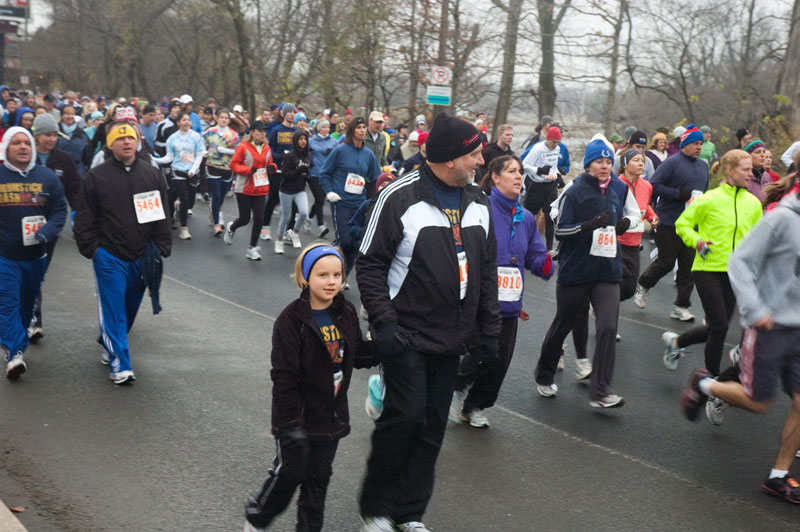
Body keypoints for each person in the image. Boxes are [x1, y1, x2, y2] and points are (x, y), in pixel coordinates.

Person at [356, 113, 500, 532]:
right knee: (405, 419)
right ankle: (377, 508)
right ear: (451, 158)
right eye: (474, 154)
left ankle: (410, 512)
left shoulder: (479, 202)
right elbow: (369, 265)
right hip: (406, 335)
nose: (479, 161)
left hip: (452, 338)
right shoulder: (400, 197)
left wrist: (488, 332)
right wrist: (384, 325)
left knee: (433, 426)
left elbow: (487, 272)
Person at [243, 243, 376, 532]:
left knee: (317, 484)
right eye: (322, 275)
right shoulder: (291, 321)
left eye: (337, 275)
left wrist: (387, 346)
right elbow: (284, 378)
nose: (331, 282)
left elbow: (358, 356)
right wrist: (290, 424)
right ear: (305, 277)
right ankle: (258, 516)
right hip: (296, 420)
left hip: (330, 419)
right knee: (290, 474)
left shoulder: (347, 312)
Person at [677, 192, 800, 504]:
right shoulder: (781, 219)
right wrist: (755, 310)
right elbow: (740, 262)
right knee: (759, 402)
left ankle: (778, 476)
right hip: (770, 325)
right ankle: (705, 383)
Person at [449, 155, 552, 428]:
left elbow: (535, 257)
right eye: (511, 172)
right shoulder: (479, 208)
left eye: (520, 172)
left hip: (509, 301)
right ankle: (457, 384)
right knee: (482, 350)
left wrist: (549, 262)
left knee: (500, 360)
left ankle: (474, 406)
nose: (519, 176)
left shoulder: (527, 217)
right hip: (479, 296)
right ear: (495, 177)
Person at [73, 122, 172, 384]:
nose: (126, 142)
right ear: (110, 144)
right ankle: (120, 365)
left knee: (128, 309)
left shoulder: (151, 174)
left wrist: (162, 246)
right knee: (114, 308)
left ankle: (109, 341)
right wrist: (93, 249)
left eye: (130, 138)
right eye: (120, 139)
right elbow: (83, 217)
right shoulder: (96, 177)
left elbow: (161, 213)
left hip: (142, 255)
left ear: (137, 142)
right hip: (109, 255)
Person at [533, 138, 628, 407]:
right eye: (599, 161)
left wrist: (624, 223)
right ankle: (544, 374)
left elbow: (630, 216)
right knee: (563, 324)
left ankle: (601, 391)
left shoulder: (618, 189)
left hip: (608, 269)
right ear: (588, 165)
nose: (605, 166)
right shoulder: (574, 191)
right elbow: (561, 230)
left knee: (608, 327)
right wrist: (588, 226)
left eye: (609, 161)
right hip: (576, 270)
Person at [661, 149, 762, 375]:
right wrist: (697, 242)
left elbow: (758, 239)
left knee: (718, 328)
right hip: (708, 269)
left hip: (737, 274)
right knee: (720, 326)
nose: (750, 174)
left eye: (751, 170)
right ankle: (710, 384)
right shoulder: (709, 199)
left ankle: (676, 343)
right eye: (745, 170)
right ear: (730, 170)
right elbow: (683, 224)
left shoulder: (754, 204)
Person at [0, 127, 67, 378]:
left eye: (26, 143)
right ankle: (14, 354)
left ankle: (17, 343)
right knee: (7, 304)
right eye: (16, 143)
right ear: (7, 148)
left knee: (26, 307)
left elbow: (60, 209)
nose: (22, 147)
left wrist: (48, 231)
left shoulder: (47, 177)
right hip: (5, 256)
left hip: (36, 257)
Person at [634, 124, 709, 322]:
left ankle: (680, 306)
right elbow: (655, 186)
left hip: (691, 224)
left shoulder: (703, 165)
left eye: (701, 143)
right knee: (666, 263)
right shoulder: (672, 162)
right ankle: (643, 284)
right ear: (685, 144)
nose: (699, 147)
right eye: (695, 143)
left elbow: (705, 193)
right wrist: (679, 194)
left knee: (687, 266)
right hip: (668, 220)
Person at [27, 114, 81, 342]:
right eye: (47, 135)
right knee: (26, 271)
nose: (51, 139)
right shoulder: (24, 155)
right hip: (22, 222)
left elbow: (76, 192)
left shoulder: (63, 160)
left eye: (54, 135)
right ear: (36, 135)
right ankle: (31, 319)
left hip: (51, 224)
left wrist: (86, 218)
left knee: (39, 271)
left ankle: (32, 317)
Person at [319, 117, 380, 278]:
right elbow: (324, 173)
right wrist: (330, 192)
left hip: (359, 204)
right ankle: (326, 265)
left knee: (355, 244)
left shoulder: (369, 154)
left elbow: (377, 179)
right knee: (344, 241)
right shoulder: (340, 150)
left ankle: (343, 275)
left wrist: (377, 197)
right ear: (352, 130)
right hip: (340, 202)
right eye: (358, 127)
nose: (361, 130)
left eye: (363, 127)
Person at [225, 121, 276, 260]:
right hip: (244, 188)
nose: (262, 134)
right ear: (252, 132)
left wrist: (273, 167)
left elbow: (270, 162)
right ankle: (232, 228)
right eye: (259, 131)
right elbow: (234, 165)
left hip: (261, 187)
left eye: (264, 131)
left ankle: (252, 248)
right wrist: (248, 170)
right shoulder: (243, 147)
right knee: (244, 218)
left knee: (259, 219)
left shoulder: (267, 148)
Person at [153, 112, 205, 240]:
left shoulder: (196, 137)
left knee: (190, 203)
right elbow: (169, 157)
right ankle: (184, 229)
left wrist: (193, 169)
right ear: (178, 123)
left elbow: (199, 155)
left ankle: (179, 207)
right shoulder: (172, 138)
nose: (187, 122)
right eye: (184, 120)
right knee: (185, 199)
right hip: (177, 172)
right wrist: (155, 159)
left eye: (188, 120)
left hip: (192, 172)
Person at [617, 150, 658, 301]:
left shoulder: (647, 186)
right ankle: (602, 304)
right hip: (617, 241)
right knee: (615, 279)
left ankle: (603, 301)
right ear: (625, 164)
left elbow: (646, 206)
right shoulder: (617, 184)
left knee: (628, 290)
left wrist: (652, 217)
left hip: (634, 242)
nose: (641, 163)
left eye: (642, 160)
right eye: (636, 160)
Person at [522, 126, 563, 251]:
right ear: (548, 138)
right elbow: (524, 165)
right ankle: (525, 245)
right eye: (553, 142)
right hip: (536, 185)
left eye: (557, 142)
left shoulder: (557, 149)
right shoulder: (537, 149)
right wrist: (538, 170)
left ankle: (549, 248)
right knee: (529, 216)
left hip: (549, 186)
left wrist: (558, 176)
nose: (554, 145)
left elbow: (553, 166)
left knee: (550, 216)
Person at [261, 103, 297, 241]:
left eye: (294, 112)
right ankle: (265, 227)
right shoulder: (276, 130)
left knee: (293, 203)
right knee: (274, 198)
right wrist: (282, 156)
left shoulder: (297, 131)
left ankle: (289, 231)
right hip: (278, 170)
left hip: (292, 172)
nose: (292, 114)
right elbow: (270, 151)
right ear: (283, 114)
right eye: (290, 112)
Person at [202, 108, 240, 236]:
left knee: (221, 196)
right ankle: (217, 224)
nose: (223, 120)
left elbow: (238, 151)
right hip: (212, 166)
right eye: (221, 117)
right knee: (216, 195)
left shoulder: (233, 135)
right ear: (216, 119)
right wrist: (203, 152)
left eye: (226, 118)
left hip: (227, 168)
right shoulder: (209, 132)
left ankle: (215, 211)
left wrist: (225, 150)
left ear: (229, 120)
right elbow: (200, 142)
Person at [275, 130, 311, 254]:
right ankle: (279, 241)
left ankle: (295, 233)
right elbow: (285, 174)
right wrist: (298, 170)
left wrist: (308, 175)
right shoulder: (290, 156)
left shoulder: (307, 155)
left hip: (300, 189)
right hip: (286, 190)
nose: (303, 141)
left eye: (305, 139)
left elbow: (307, 172)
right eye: (300, 139)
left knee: (304, 213)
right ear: (295, 141)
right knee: (286, 217)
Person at [307, 120, 337, 237]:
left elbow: (337, 155)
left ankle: (309, 218)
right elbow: (305, 153)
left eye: (327, 127)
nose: (326, 129)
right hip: (314, 173)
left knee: (320, 199)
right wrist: (310, 160)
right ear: (318, 128)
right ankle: (321, 226)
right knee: (319, 199)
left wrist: (332, 153)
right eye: (323, 127)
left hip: (327, 174)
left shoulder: (333, 142)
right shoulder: (311, 141)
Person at [55, 104, 90, 175]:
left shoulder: (81, 133)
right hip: (59, 168)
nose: (70, 116)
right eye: (67, 114)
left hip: (78, 169)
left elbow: (87, 155)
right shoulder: (55, 132)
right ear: (62, 115)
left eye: (72, 114)